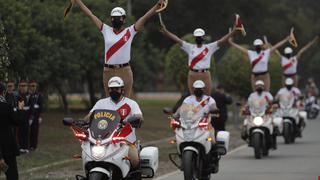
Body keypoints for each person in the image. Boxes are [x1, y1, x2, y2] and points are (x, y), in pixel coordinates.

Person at [74, 0, 165, 97]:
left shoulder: (130, 31)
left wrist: (156, 6)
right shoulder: (105, 29)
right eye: (114, 17)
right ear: (111, 19)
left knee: (125, 101)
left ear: (124, 19)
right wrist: (78, 1)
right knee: (109, 101)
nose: (116, 19)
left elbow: (145, 17)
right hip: (108, 70)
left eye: (119, 17)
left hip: (125, 70)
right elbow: (90, 15)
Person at [160, 22, 237, 95]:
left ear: (203, 37)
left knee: (207, 98)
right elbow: (177, 39)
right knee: (193, 97)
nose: (199, 38)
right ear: (194, 37)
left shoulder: (209, 47)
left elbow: (222, 40)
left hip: (205, 74)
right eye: (197, 37)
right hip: (192, 74)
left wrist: (233, 32)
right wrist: (166, 31)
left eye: (200, 36)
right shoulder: (189, 47)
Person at [84, 76, 143, 171]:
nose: (113, 91)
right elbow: (90, 116)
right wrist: (84, 121)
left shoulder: (131, 103)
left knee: (135, 161)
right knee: (89, 158)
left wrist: (133, 120)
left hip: (126, 142)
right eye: (111, 89)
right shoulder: (101, 103)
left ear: (122, 90)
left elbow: (139, 116)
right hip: (104, 141)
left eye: (116, 89)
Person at [175, 80, 221, 173]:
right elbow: (182, 108)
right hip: (189, 125)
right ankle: (183, 159)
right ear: (193, 89)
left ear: (203, 89)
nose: (198, 90)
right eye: (196, 89)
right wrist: (176, 114)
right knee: (179, 139)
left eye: (200, 89)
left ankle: (214, 161)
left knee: (212, 140)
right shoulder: (188, 99)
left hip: (205, 126)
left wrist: (214, 109)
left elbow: (213, 106)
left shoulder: (209, 99)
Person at [243, 80, 276, 148]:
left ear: (263, 87)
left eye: (261, 85)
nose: (259, 87)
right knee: (246, 124)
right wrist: (245, 108)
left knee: (273, 123)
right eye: (258, 86)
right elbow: (248, 104)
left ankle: (273, 139)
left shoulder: (267, 94)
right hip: (254, 114)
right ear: (255, 87)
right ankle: (247, 135)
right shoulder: (252, 95)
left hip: (265, 114)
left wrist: (272, 103)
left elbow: (271, 101)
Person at [0, 82, 21, 180]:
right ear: (3, 92)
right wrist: (20, 109)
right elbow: (17, 121)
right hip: (7, 148)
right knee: (12, 175)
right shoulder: (6, 107)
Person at [28, 80, 43, 151]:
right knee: (28, 131)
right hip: (28, 116)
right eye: (31, 86)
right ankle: (29, 145)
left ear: (36, 86)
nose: (33, 87)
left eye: (34, 86)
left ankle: (34, 146)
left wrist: (40, 116)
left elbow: (41, 106)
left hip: (36, 116)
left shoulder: (39, 95)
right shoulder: (28, 95)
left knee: (35, 131)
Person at [16, 80, 31, 154]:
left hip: (27, 117)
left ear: (27, 87)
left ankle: (26, 147)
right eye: (21, 86)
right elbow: (19, 108)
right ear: (19, 87)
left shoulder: (29, 95)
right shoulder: (17, 95)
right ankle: (21, 147)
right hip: (19, 117)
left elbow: (32, 108)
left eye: (24, 86)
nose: (22, 87)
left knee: (26, 132)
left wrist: (31, 117)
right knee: (20, 133)